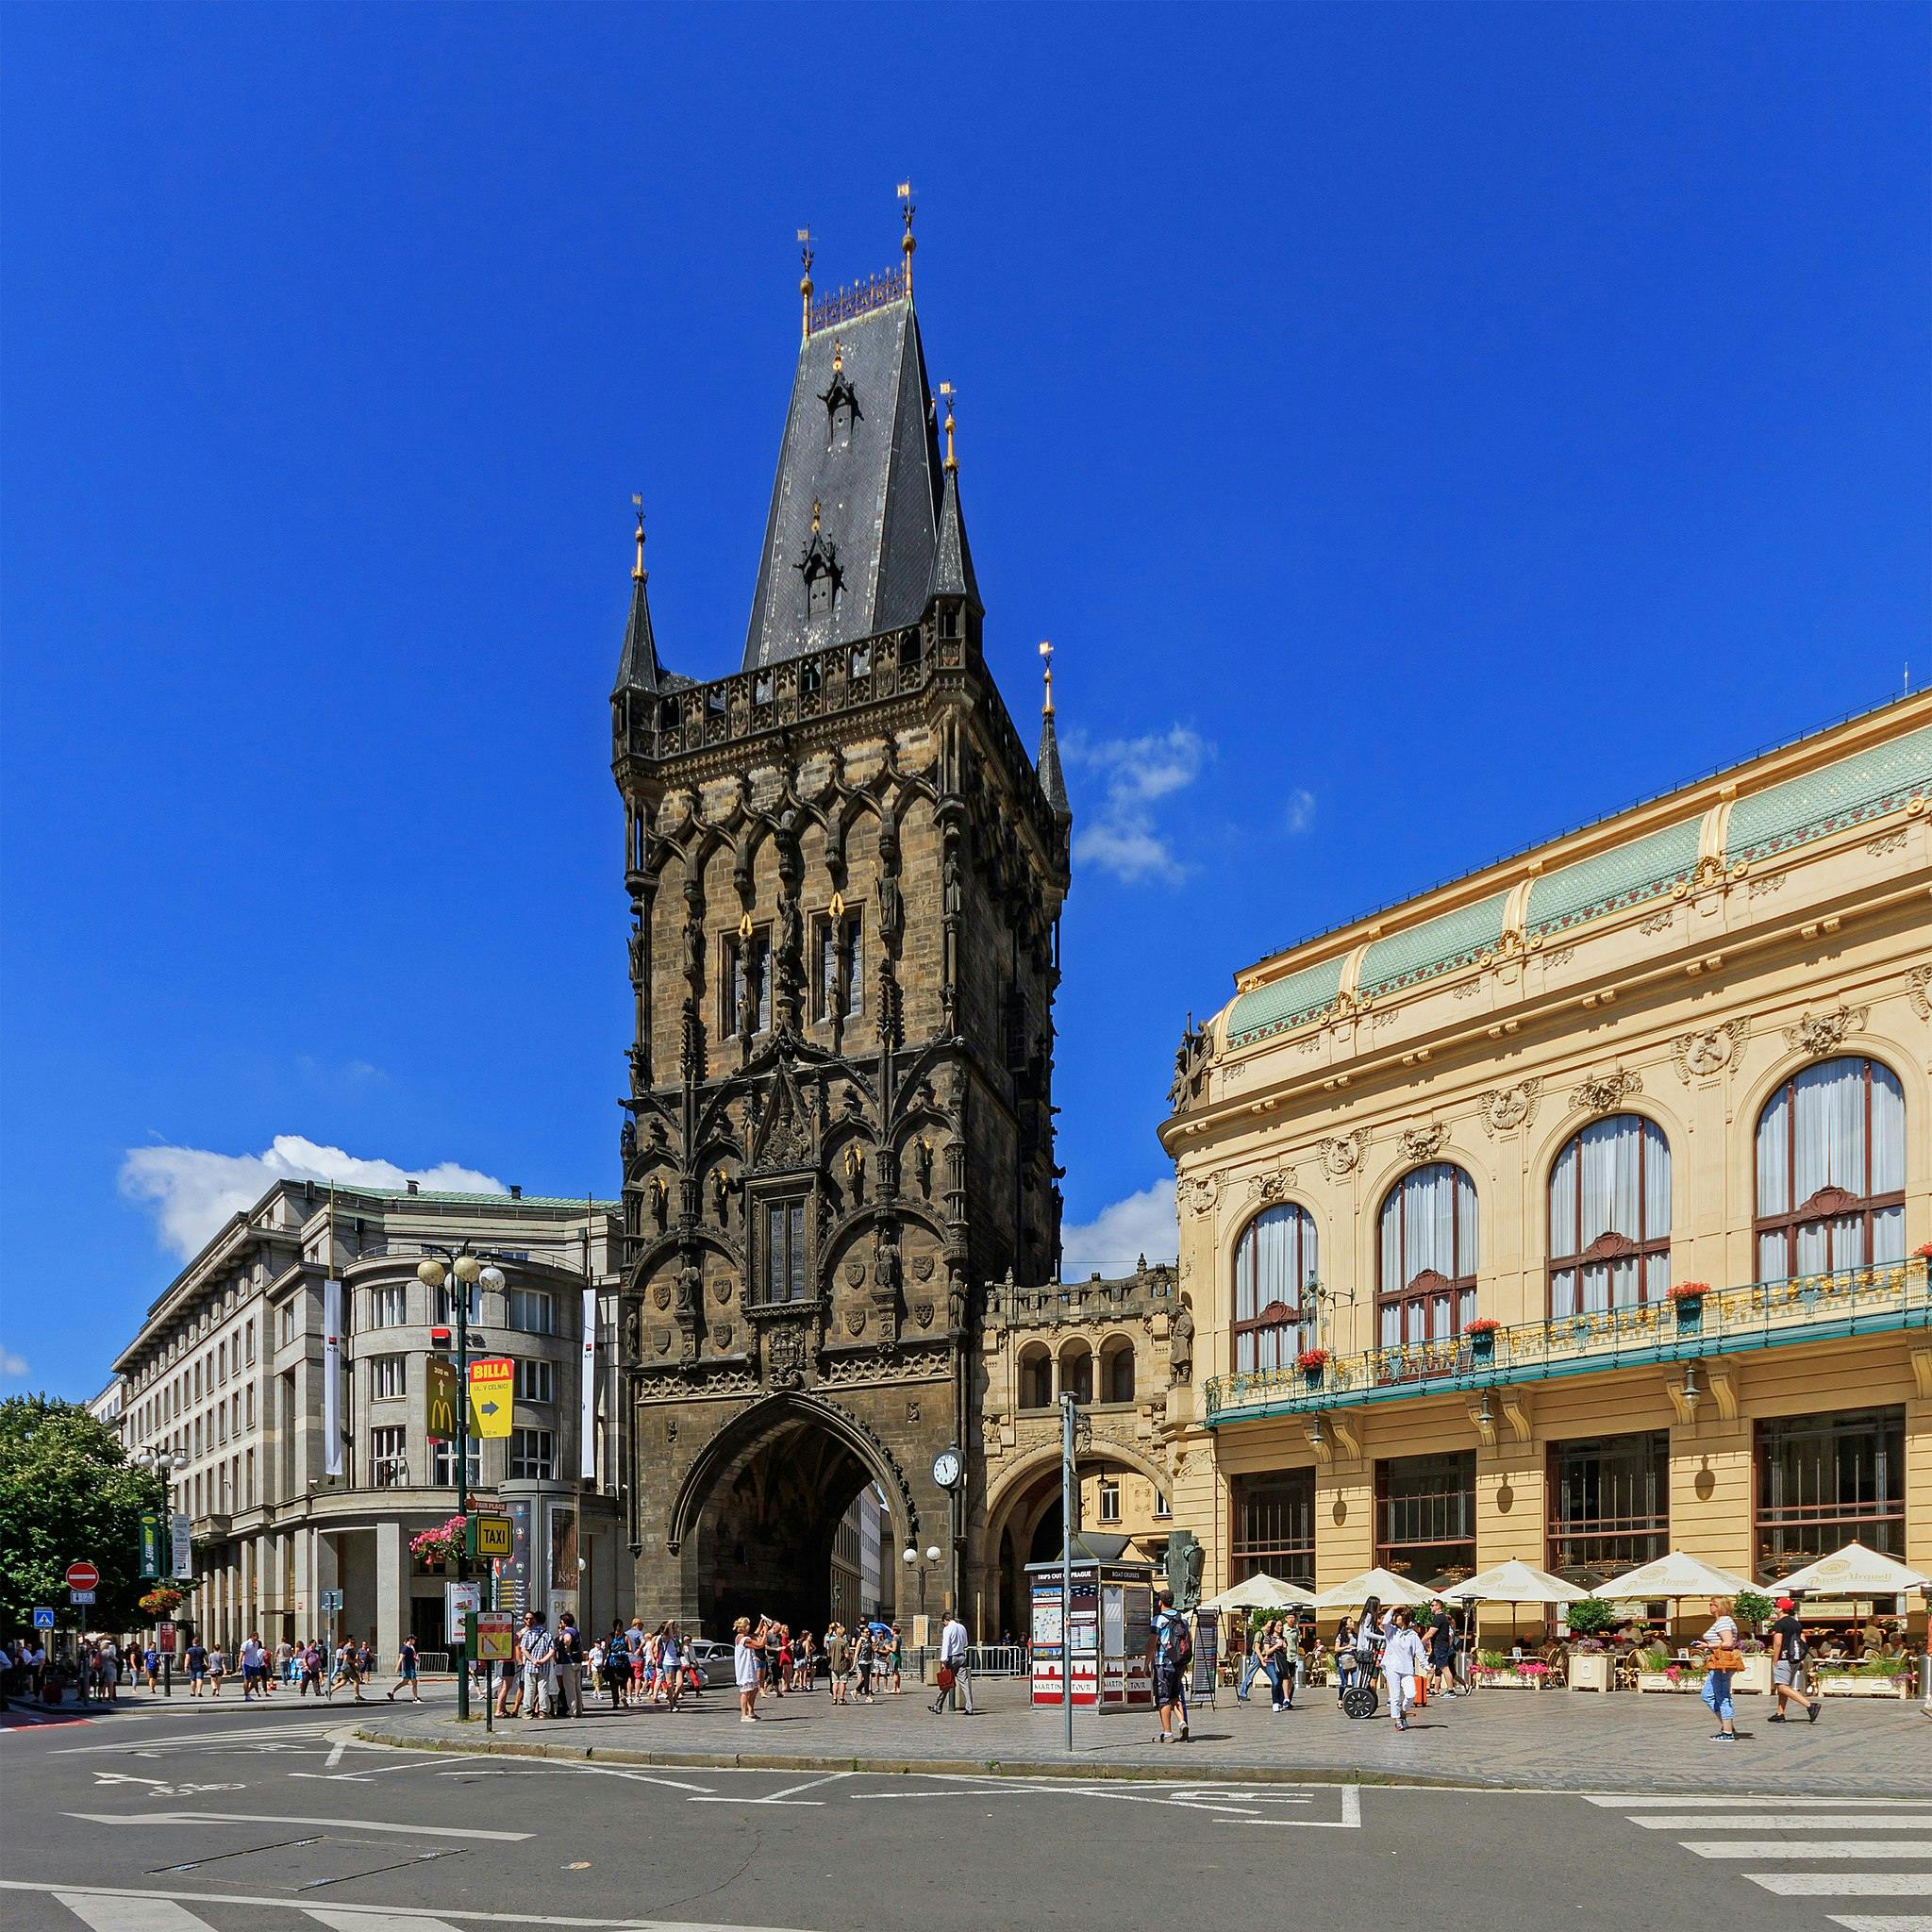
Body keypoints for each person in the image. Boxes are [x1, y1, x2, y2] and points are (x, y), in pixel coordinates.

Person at [1694, 1595, 1742, 1743]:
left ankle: (1728, 1732)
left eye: (1713, 1604)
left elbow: (1727, 1642)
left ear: (1720, 1606)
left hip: (1722, 1664)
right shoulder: (1722, 1621)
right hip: (1716, 1663)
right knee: (1707, 1695)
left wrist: (1706, 1646)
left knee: (1722, 1696)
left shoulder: (1724, 1622)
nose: (1710, 1607)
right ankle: (1728, 1726)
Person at [1766, 1595, 1819, 1726]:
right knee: (1784, 1686)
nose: (1775, 1608)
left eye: (1776, 1606)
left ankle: (1810, 1705)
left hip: (1784, 1657)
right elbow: (1803, 1641)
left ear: (1781, 1609)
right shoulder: (1796, 1623)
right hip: (1794, 1658)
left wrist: (1775, 1659)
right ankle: (1780, 1713)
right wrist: (1800, 1658)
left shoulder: (1780, 1623)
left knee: (1781, 1686)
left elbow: (1777, 1643)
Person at [1146, 1587, 1191, 1743]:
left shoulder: (1158, 1619)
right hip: (1179, 1663)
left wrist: (1146, 1664)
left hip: (1163, 1663)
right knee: (1175, 1695)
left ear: (1160, 1602)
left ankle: (1167, 1734)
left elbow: (1152, 1643)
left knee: (1163, 1698)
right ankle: (1182, 1721)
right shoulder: (1183, 1617)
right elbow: (1189, 1640)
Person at [1382, 1606, 1429, 1732]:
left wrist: (1426, 1666)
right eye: (1395, 1615)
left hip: (1407, 1668)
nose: (1395, 1617)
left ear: (1404, 1618)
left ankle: (1403, 1712)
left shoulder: (1412, 1635)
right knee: (1395, 1696)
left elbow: (1419, 1651)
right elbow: (1384, 1621)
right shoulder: (1391, 1631)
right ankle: (1397, 1720)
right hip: (1392, 1667)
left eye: (1398, 1615)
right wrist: (1393, 1608)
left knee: (1411, 1693)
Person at [931, 1610, 974, 1715]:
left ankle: (938, 1706)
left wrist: (943, 1660)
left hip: (952, 1658)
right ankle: (969, 1707)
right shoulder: (962, 1627)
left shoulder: (948, 1629)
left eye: (943, 1623)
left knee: (946, 1682)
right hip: (962, 1656)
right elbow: (965, 1643)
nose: (944, 1624)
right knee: (964, 1684)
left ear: (946, 1620)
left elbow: (946, 1644)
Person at [521, 1612, 556, 1719]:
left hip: (530, 1666)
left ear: (534, 1620)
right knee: (543, 1688)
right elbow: (552, 1650)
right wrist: (542, 1661)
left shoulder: (528, 1633)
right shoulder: (547, 1634)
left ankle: (527, 1711)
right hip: (543, 1666)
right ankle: (543, 1711)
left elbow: (523, 1649)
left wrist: (533, 1660)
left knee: (529, 1688)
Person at [733, 1615, 764, 1723]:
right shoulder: (745, 1639)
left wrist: (761, 1623)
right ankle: (743, 1714)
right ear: (744, 1626)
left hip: (747, 1667)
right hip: (745, 1668)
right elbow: (760, 1644)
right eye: (748, 1625)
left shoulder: (739, 1637)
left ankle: (750, 1711)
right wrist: (765, 1632)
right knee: (745, 1691)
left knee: (754, 1689)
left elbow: (755, 1633)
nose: (749, 1627)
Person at [1426, 1599, 1457, 1699]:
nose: (1430, 1607)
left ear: (1438, 1606)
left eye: (1432, 1605)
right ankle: (1428, 1689)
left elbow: (1430, 1633)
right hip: (1437, 1646)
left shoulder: (1439, 1618)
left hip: (1440, 1646)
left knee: (1445, 1668)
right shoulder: (1439, 1617)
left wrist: (1419, 1643)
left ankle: (1450, 1690)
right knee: (1430, 1665)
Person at [554, 1614, 582, 1718]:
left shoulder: (566, 1631)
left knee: (570, 1688)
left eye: (561, 1622)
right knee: (577, 1687)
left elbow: (567, 1639)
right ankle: (579, 1710)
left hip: (568, 1661)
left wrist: (566, 1647)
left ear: (564, 1622)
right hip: (577, 1660)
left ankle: (572, 1710)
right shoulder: (576, 1631)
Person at [385, 1635, 421, 1703]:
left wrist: (415, 1659)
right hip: (408, 1668)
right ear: (410, 1640)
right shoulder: (405, 1648)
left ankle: (392, 1692)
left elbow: (410, 1657)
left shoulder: (410, 1648)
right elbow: (401, 1658)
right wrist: (397, 1667)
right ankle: (416, 1698)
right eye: (414, 1640)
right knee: (414, 1683)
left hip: (410, 1667)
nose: (415, 1641)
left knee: (404, 1682)